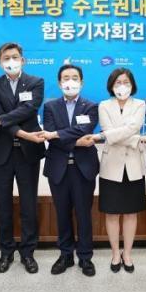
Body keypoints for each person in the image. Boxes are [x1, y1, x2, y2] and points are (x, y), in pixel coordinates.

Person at [0, 42, 46, 274]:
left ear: (23, 59)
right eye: (6, 57)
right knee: (2, 204)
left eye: (15, 56)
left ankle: (28, 252)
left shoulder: (36, 82)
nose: (11, 61)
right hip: (1, 151)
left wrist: (1, 121)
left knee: (29, 204)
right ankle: (6, 251)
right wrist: (20, 132)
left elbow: (29, 109)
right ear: (0, 62)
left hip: (28, 152)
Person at [41, 64, 99, 276]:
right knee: (62, 213)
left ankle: (85, 257)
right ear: (59, 83)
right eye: (66, 78)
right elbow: (49, 134)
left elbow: (85, 129)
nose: (70, 82)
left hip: (84, 169)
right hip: (58, 168)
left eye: (75, 77)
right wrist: (75, 141)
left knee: (84, 214)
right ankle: (65, 255)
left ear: (81, 82)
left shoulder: (91, 106)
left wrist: (58, 134)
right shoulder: (50, 106)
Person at [89, 68, 146, 273]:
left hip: (133, 165)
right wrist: (134, 139)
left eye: (126, 82)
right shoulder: (104, 105)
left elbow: (131, 128)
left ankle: (127, 253)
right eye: (118, 82)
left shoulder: (140, 104)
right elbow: (108, 131)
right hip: (111, 166)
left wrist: (110, 135)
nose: (122, 86)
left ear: (132, 85)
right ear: (111, 86)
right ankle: (115, 253)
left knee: (131, 213)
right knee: (112, 213)